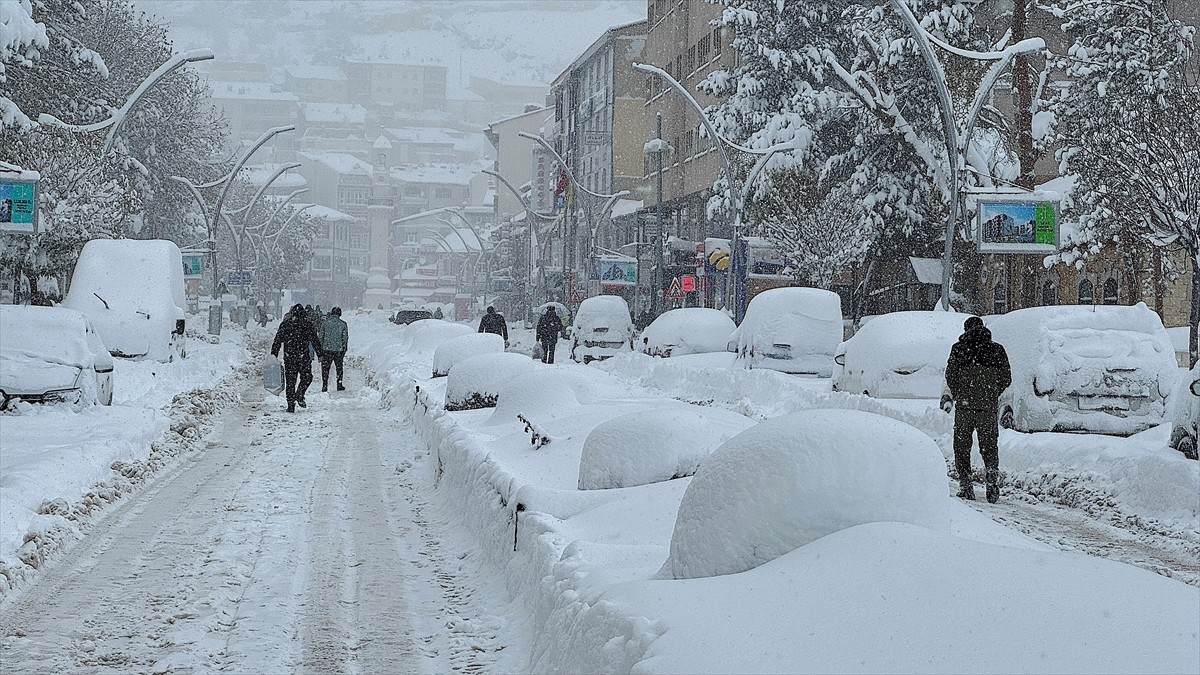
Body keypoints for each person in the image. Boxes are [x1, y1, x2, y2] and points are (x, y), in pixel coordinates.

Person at [942, 315, 1012, 503]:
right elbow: (1006, 377)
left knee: (962, 446)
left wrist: (960, 393)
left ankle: (966, 485)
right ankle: (991, 474)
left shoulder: (958, 349)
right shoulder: (997, 349)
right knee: (989, 445)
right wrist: (992, 392)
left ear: (966, 330)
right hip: (987, 408)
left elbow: (950, 376)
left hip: (965, 408)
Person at [271, 304, 322, 413]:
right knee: (307, 377)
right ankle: (299, 394)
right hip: (303, 357)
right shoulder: (307, 325)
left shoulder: (285, 325)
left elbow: (277, 340)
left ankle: (290, 405)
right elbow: (315, 340)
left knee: (290, 381)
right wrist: (320, 354)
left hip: (289, 357)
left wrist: (273, 354)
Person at [318, 306, 348, 392]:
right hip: (338, 350)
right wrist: (344, 348)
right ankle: (339, 384)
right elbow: (344, 338)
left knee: (325, 368)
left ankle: (324, 385)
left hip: (326, 349)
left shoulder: (325, 323)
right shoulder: (343, 324)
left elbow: (321, 336)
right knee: (339, 367)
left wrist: (321, 348)